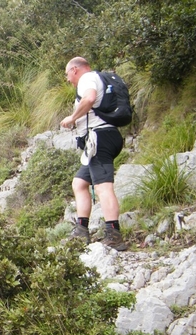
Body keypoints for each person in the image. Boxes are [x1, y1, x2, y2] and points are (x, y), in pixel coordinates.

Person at [60, 56, 127, 251]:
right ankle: (81, 231)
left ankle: (114, 234)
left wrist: (72, 118)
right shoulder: (97, 78)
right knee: (79, 183)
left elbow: (89, 98)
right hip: (101, 140)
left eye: (67, 74)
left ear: (74, 70)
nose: (68, 79)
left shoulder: (86, 79)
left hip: (100, 138)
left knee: (102, 188)